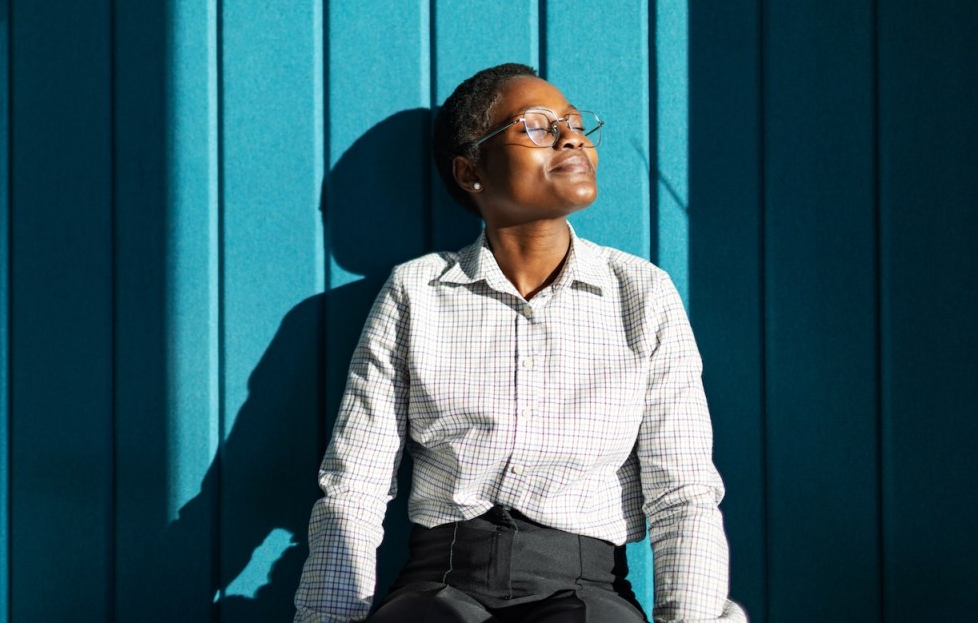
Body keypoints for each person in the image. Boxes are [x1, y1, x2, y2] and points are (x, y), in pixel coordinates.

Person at [294, 64, 747, 623]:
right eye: (536, 125)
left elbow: (683, 494)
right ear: (470, 171)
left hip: (585, 590)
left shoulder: (641, 294)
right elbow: (353, 490)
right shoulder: (416, 292)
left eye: (576, 123)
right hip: (439, 584)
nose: (571, 136)